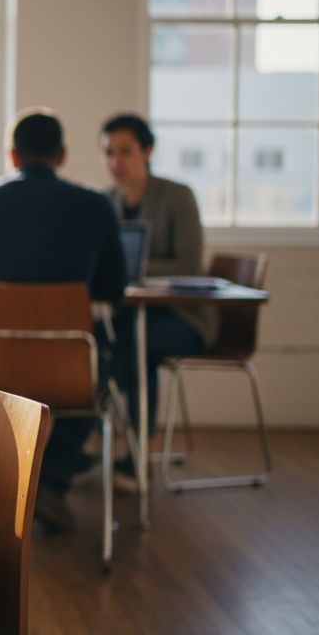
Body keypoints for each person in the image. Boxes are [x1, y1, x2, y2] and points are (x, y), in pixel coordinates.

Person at [0, 109, 126, 532]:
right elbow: (113, 290)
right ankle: (52, 483)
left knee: (3, 386)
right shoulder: (96, 205)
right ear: (62, 155)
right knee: (101, 365)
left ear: (11, 155)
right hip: (68, 372)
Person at [100, 113, 216, 442]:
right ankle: (105, 441)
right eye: (109, 153)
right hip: (127, 313)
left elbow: (190, 265)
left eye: (125, 151)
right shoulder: (107, 201)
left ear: (147, 150)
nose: (116, 161)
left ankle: (135, 448)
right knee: (102, 341)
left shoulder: (177, 196)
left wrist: (132, 268)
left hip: (184, 317)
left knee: (135, 344)